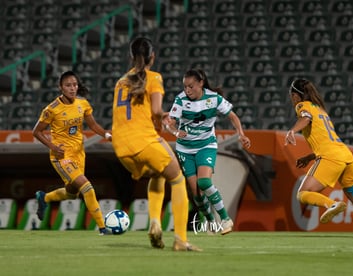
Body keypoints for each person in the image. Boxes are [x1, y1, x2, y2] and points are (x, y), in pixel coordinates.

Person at [111, 37, 201, 251]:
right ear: (153, 56)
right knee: (178, 179)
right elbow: (156, 111)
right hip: (143, 140)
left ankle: (154, 223)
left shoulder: (121, 81)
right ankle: (180, 240)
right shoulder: (154, 77)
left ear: (131, 57)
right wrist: (168, 116)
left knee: (158, 174)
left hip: (121, 147)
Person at [284, 78, 353, 238]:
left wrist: (292, 131)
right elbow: (326, 139)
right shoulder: (321, 110)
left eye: (291, 95)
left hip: (330, 156)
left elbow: (305, 117)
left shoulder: (303, 106)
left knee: (302, 194)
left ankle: (332, 204)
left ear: (296, 95)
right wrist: (309, 157)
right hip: (345, 155)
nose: (291, 99)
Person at [165, 68, 251, 235]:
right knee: (196, 194)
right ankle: (210, 220)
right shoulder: (180, 100)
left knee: (203, 182)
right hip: (185, 148)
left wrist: (241, 134)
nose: (187, 90)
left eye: (191, 86)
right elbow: (170, 123)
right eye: (185, 87)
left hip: (206, 145)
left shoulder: (214, 98)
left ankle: (225, 219)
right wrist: (176, 132)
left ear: (201, 83)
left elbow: (233, 116)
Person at [33, 70, 112, 235]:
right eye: (68, 85)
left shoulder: (82, 103)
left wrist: (106, 134)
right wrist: (52, 147)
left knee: (72, 194)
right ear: (60, 87)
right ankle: (103, 228)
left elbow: (93, 125)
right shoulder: (52, 109)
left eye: (74, 85)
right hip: (61, 156)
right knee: (88, 188)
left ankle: (44, 197)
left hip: (79, 154)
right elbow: (37, 132)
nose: (72, 88)